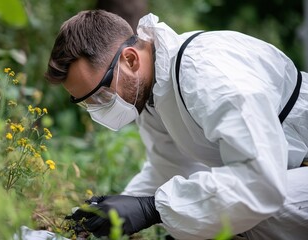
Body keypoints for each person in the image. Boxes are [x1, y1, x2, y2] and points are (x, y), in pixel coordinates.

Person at [45, 9, 308, 240]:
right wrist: (113, 210)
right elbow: (168, 168)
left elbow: (260, 183)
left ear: (130, 60)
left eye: (101, 95)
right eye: (86, 102)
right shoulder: (152, 89)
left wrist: (152, 209)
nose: (97, 108)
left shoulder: (207, 76)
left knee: (255, 214)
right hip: (285, 170)